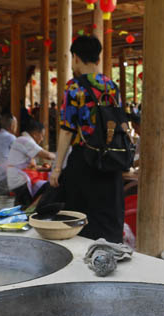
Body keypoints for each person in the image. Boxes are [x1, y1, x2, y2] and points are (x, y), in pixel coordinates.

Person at [49, 35, 126, 243]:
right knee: (108, 215)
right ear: (97, 58)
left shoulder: (74, 87)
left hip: (84, 161)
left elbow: (67, 130)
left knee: (79, 217)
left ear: (75, 57)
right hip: (110, 160)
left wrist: (57, 168)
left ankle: (83, 261)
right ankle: (110, 256)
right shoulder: (111, 86)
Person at [6, 120, 55, 207]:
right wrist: (61, 159)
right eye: (42, 136)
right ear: (36, 133)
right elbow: (47, 155)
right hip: (19, 180)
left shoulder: (23, 140)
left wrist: (46, 169)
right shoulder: (25, 140)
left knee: (22, 205)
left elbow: (29, 167)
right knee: (48, 187)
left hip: (18, 178)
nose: (42, 139)